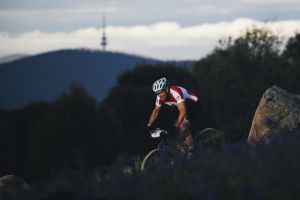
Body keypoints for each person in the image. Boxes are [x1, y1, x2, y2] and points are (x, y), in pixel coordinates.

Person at [147, 77, 198, 153]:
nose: (160, 95)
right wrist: (149, 125)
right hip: (180, 106)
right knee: (168, 129)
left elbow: (183, 111)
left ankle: (192, 151)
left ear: (167, 89)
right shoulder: (159, 97)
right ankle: (182, 149)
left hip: (193, 105)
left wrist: (177, 126)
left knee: (183, 127)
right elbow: (156, 111)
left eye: (161, 92)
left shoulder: (175, 92)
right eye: (157, 93)